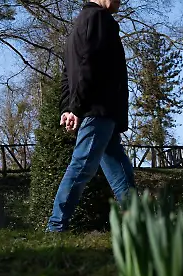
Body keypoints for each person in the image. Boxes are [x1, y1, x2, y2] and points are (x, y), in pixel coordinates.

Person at [47, 0, 137, 232]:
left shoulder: (78, 25)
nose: (119, 1)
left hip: (101, 112)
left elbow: (67, 74)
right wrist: (76, 108)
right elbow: (89, 66)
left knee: (119, 169)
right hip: (99, 109)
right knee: (82, 166)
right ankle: (56, 226)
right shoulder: (99, 19)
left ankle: (139, 224)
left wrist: (67, 108)